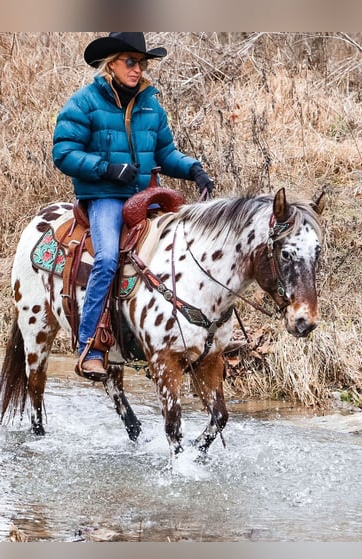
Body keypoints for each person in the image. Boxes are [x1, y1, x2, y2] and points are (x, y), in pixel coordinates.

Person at [52, 32, 215, 380]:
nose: (137, 69)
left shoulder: (150, 104)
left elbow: (165, 153)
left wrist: (193, 169)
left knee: (180, 253)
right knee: (108, 258)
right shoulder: (84, 102)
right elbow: (63, 153)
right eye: (131, 61)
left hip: (144, 196)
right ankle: (91, 345)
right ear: (110, 63)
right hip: (104, 197)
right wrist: (106, 169)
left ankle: (175, 338)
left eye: (141, 63)